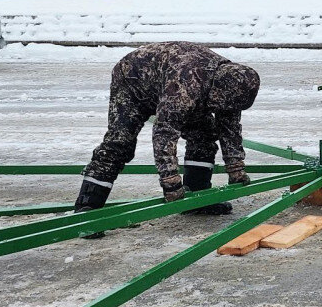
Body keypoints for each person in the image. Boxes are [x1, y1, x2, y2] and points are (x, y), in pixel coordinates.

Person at [74, 42, 260, 238]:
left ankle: (197, 197)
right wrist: (170, 182)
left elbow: (229, 128)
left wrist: (236, 168)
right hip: (133, 81)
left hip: (171, 79)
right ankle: (87, 209)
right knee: (120, 143)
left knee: (204, 134)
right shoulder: (186, 85)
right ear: (217, 91)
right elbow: (164, 133)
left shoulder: (232, 85)